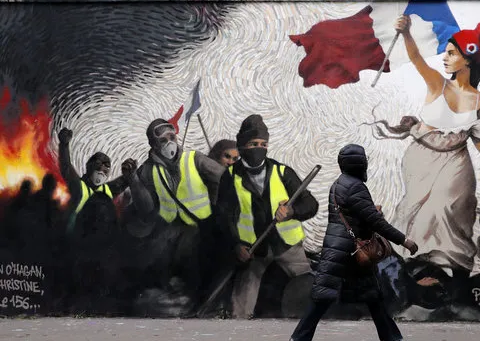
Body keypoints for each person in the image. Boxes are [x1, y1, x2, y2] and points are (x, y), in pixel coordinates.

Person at [373, 16, 480, 281]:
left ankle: (452, 266)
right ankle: (420, 261)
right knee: (420, 210)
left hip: (457, 157)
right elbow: (417, 58)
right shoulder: (437, 83)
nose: (445, 58)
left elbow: (477, 134)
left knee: (451, 205)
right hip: (423, 156)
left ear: (467, 59)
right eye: (446, 52)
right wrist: (406, 32)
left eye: (452, 53)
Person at [288, 144, 419, 341]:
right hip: (346, 250)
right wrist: (404, 240)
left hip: (345, 248)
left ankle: (391, 339)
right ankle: (299, 338)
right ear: (360, 164)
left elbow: (355, 214)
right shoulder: (355, 187)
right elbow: (375, 222)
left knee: (372, 294)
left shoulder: (338, 184)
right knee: (323, 296)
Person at [216, 114, 319, 319]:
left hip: (287, 246)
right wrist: (236, 245)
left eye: (263, 144)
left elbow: (310, 205)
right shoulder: (230, 177)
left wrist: (291, 212)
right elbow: (224, 216)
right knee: (240, 306)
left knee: (309, 287)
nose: (259, 148)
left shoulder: (283, 172)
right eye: (253, 143)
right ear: (242, 145)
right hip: (254, 249)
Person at [128, 119, 227, 300]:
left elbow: (225, 179)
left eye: (171, 137)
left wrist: (217, 204)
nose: (169, 143)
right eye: (162, 140)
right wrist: (133, 180)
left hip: (203, 226)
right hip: (170, 230)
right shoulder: (146, 170)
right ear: (152, 144)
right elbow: (147, 209)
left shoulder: (194, 159)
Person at [57, 127, 135, 232]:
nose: (101, 171)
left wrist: (131, 171)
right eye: (99, 165)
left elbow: (126, 180)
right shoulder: (79, 186)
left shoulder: (106, 190)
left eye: (106, 168)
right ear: (90, 166)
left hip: (98, 237)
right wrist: (64, 145)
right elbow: (66, 166)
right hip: (76, 234)